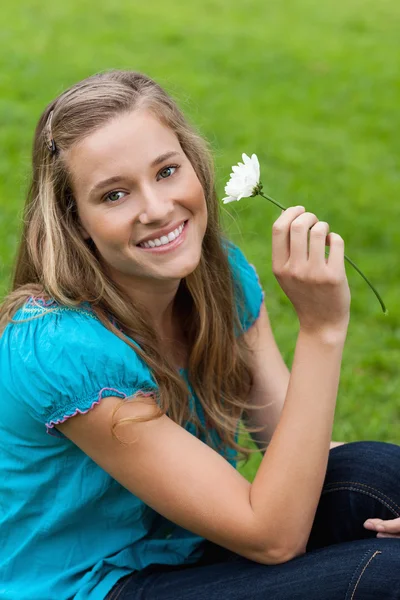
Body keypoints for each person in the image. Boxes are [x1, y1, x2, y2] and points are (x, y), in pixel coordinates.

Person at [0, 70, 399, 600]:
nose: (158, 208)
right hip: (91, 585)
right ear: (76, 223)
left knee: (379, 476)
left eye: (166, 171)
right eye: (115, 194)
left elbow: (294, 447)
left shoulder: (219, 281)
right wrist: (322, 330)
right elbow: (273, 537)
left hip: (190, 551)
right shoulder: (59, 348)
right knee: (385, 575)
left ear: (195, 164)